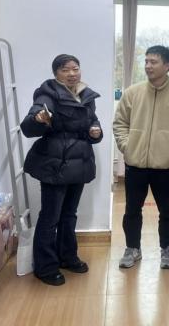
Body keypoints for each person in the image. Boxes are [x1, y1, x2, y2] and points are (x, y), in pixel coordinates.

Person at [21, 54, 102, 286]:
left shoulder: (86, 94)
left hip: (80, 162)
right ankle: (45, 266)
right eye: (65, 70)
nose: (72, 73)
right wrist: (38, 119)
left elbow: (92, 121)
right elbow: (29, 125)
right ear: (56, 73)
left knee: (69, 214)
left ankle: (67, 257)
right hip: (55, 163)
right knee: (50, 216)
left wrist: (95, 130)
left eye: (75, 68)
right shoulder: (47, 93)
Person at [113, 45, 169, 270]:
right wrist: (127, 146)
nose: (148, 66)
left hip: (164, 166)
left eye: (153, 62)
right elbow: (119, 123)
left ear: (167, 66)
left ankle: (167, 249)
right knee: (132, 210)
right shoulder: (132, 92)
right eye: (146, 61)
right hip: (135, 163)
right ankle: (132, 248)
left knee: (167, 211)